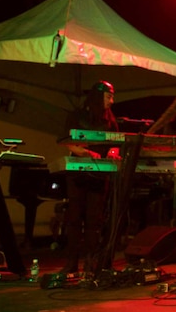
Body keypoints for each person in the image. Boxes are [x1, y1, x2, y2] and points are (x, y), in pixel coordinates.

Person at [60, 80, 121, 275]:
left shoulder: (110, 120)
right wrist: (88, 155)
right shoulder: (77, 116)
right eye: (108, 97)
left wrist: (112, 154)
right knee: (74, 219)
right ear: (98, 97)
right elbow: (66, 141)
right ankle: (71, 262)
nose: (112, 101)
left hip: (98, 176)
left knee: (95, 221)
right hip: (78, 175)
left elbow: (115, 143)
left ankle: (90, 262)